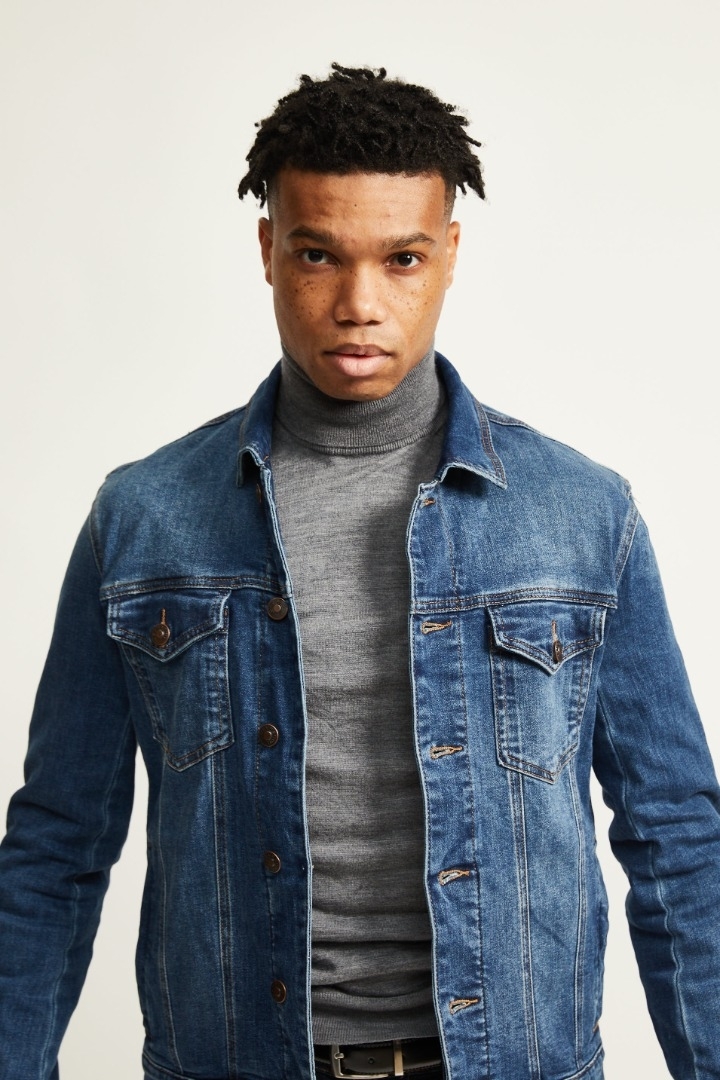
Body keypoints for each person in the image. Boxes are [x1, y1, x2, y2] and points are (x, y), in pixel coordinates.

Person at [0, 62, 718, 1080]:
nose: (359, 304)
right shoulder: (146, 517)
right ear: (268, 250)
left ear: (451, 255)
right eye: (319, 255)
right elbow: (56, 847)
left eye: (403, 259)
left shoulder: (581, 514)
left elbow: (678, 840)